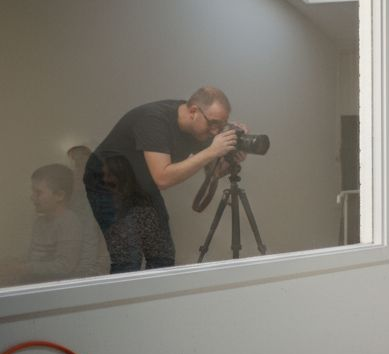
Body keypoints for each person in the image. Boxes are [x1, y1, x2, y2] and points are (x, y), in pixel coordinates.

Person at [83, 86, 241, 271]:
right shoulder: (154, 120)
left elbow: (213, 172)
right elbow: (163, 178)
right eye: (213, 123)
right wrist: (212, 151)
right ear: (193, 112)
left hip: (141, 183)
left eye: (221, 126)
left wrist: (231, 156)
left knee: (162, 255)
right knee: (128, 257)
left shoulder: (201, 130)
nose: (215, 131)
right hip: (107, 179)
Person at [0, 164, 104, 284]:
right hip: (36, 281)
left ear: (59, 195)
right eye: (33, 191)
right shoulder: (39, 222)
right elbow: (35, 257)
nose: (32, 197)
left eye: (38, 192)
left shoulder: (68, 222)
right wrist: (16, 264)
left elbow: (65, 266)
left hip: (54, 286)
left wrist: (23, 268)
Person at [100, 154, 175, 273]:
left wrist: (143, 286)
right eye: (103, 175)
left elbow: (159, 258)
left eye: (109, 175)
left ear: (121, 177)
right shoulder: (108, 207)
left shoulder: (141, 211)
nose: (105, 180)